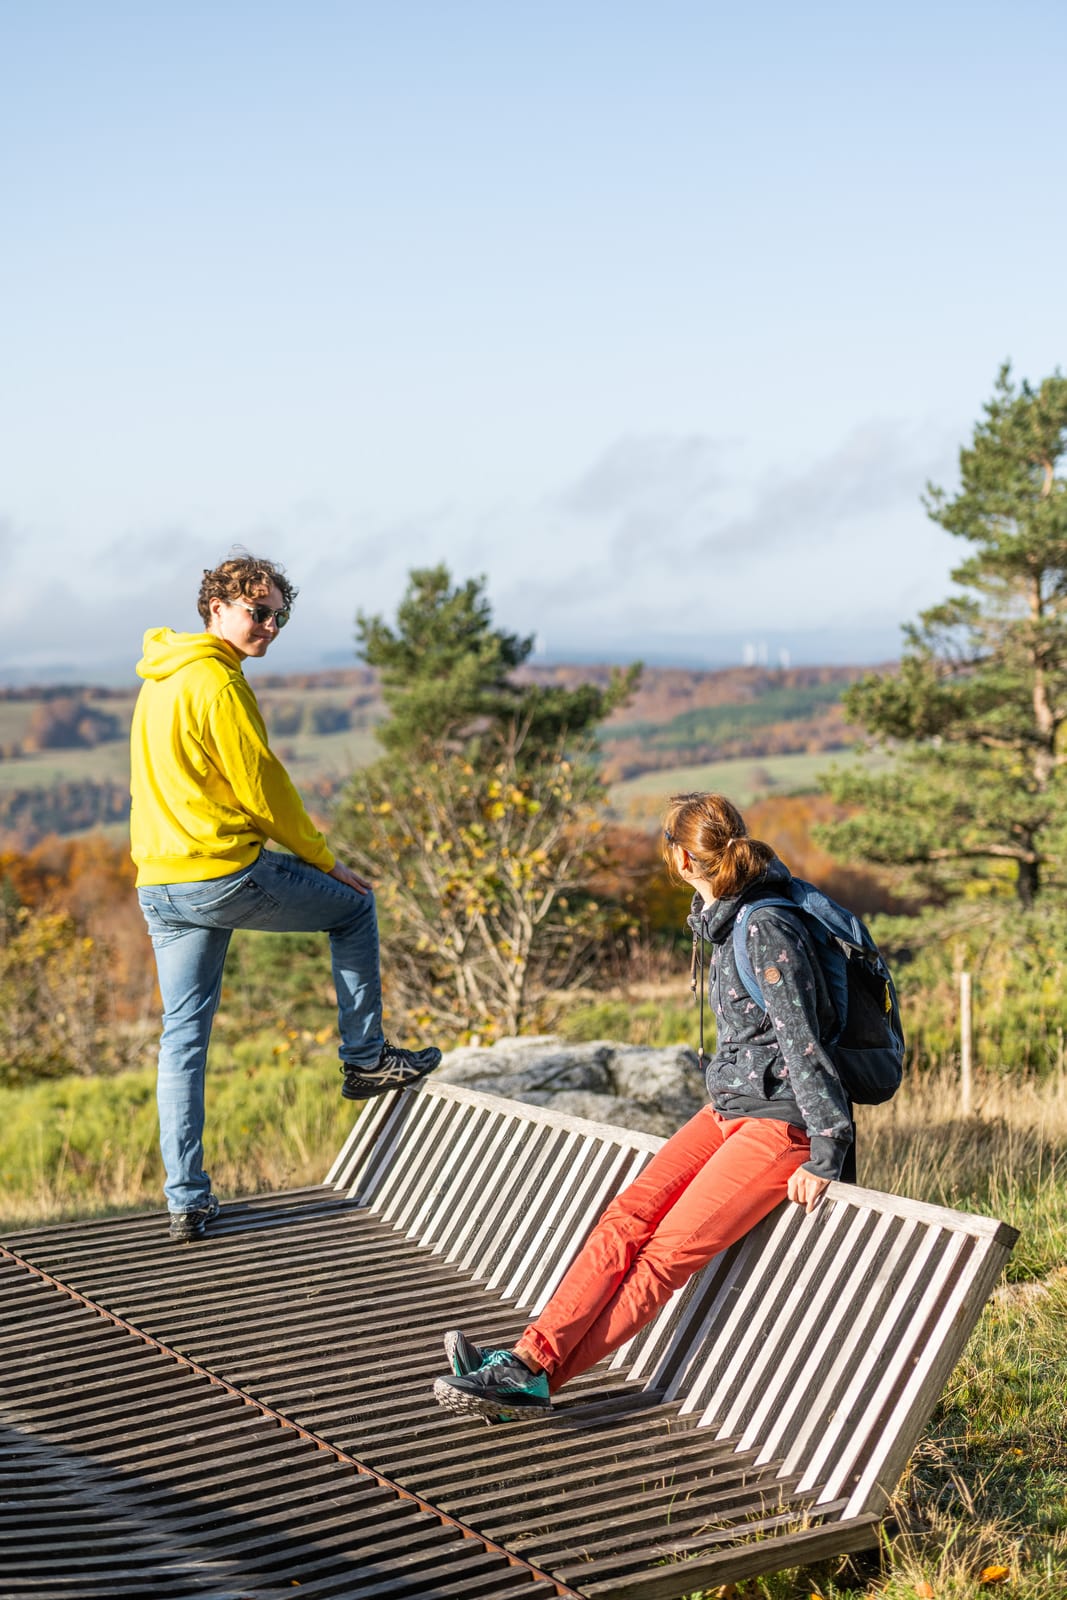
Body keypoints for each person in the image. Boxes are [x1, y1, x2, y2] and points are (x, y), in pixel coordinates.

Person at [432, 790, 854, 1423]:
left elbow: (802, 1038)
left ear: (682, 857)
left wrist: (827, 1150)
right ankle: (527, 1362)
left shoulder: (765, 925)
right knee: (625, 1218)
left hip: (782, 1124)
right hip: (730, 1107)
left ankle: (536, 1375)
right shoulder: (725, 917)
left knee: (662, 1256)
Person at [131, 555, 441, 1244]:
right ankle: (365, 1060)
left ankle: (186, 1200)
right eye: (256, 611)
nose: (269, 626)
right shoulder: (216, 683)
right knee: (353, 908)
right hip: (221, 874)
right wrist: (325, 860)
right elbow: (262, 788)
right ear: (216, 608)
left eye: (278, 616)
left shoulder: (160, 678)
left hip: (160, 883)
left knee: (181, 1040)